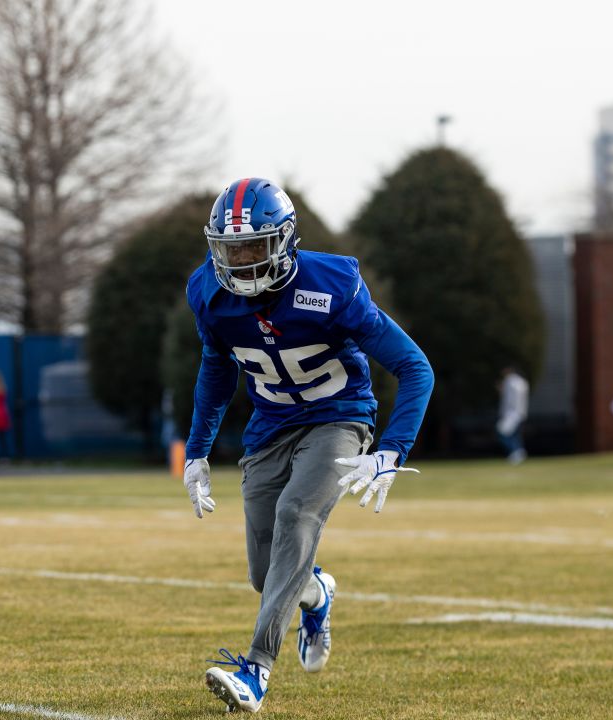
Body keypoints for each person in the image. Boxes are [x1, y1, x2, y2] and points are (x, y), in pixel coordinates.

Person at [184, 178, 434, 713]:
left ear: (285, 240)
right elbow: (215, 369)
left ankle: (255, 670)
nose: (241, 261)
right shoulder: (209, 293)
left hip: (337, 419)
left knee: (297, 514)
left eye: (253, 246)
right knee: (265, 572)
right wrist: (197, 451)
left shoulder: (331, 285)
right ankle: (317, 593)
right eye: (230, 250)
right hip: (270, 428)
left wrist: (391, 450)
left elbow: (415, 367)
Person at [496, 365, 529, 464]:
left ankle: (517, 452)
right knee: (514, 434)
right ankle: (517, 452)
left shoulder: (509, 381)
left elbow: (509, 398)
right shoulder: (522, 381)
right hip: (519, 412)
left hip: (511, 412)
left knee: (502, 432)